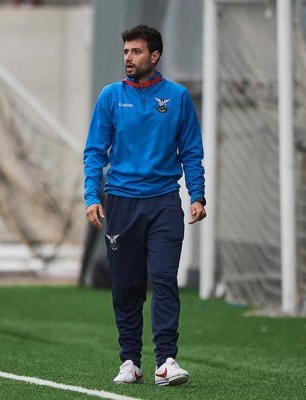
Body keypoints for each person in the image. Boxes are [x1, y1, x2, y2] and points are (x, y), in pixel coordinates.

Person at [83, 24, 206, 386]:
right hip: (121, 203)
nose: (128, 58)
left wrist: (197, 194)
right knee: (127, 286)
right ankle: (130, 362)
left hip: (165, 203)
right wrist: (92, 195)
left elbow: (192, 151)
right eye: (125, 52)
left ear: (154, 56)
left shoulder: (178, 97)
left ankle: (167, 361)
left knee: (166, 279)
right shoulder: (109, 97)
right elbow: (94, 151)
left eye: (136, 52)